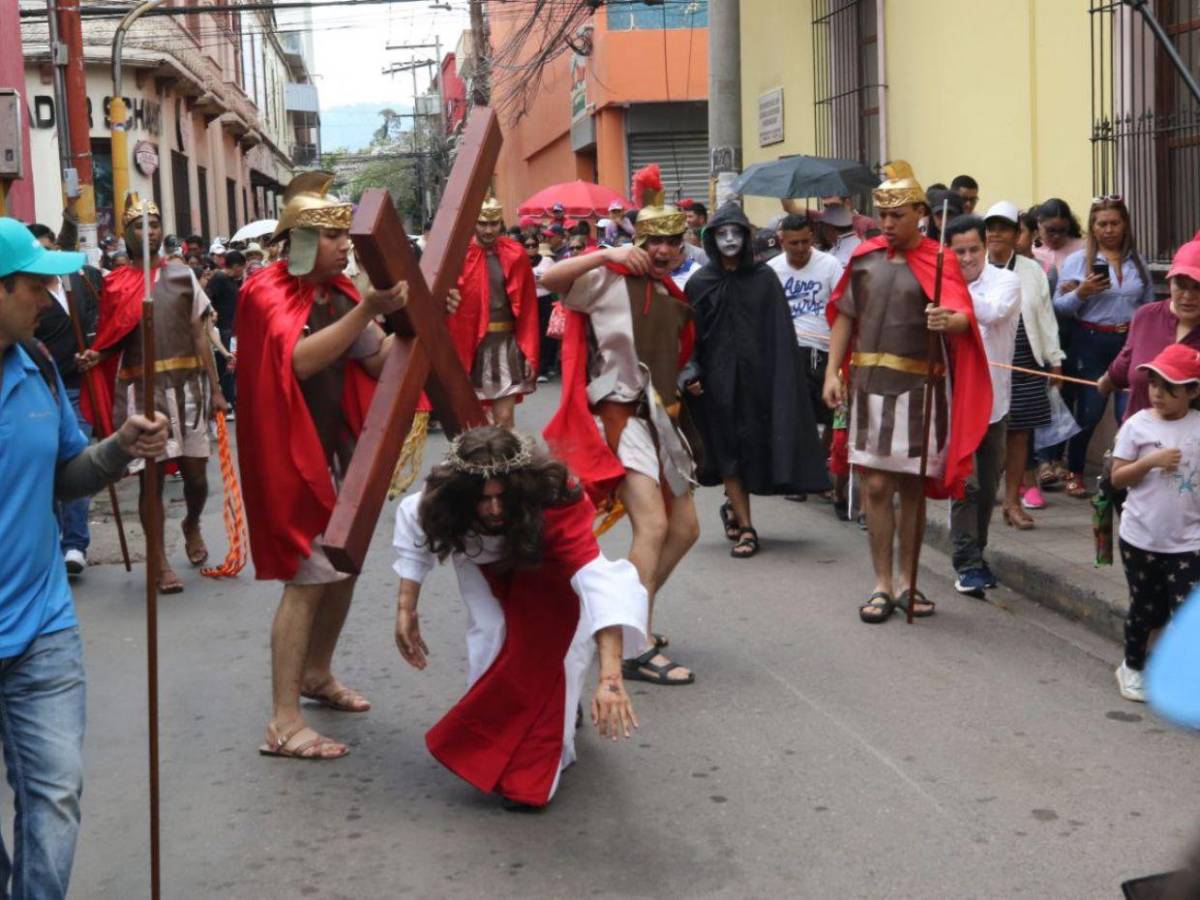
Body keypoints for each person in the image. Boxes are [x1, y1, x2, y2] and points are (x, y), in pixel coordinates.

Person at [0, 215, 168, 899]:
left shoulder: (37, 365)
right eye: (34, 286)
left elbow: (68, 476)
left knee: (56, 795)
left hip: (41, 626)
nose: (49, 300)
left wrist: (121, 446)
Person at [236, 171, 409, 761]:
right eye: (333, 237)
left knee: (343, 566)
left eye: (344, 237)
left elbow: (377, 360)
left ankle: (316, 672)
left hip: (336, 455)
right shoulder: (264, 291)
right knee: (308, 580)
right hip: (290, 457)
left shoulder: (337, 294)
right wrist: (366, 310)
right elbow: (300, 362)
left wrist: (420, 319)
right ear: (303, 239)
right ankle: (283, 722)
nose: (344, 247)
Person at [392, 427, 646, 808]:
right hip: (481, 566)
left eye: (502, 498)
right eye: (483, 500)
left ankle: (552, 745)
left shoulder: (553, 499)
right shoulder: (441, 499)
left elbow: (600, 588)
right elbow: (415, 537)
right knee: (490, 635)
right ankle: (488, 746)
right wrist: (405, 609)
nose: (494, 509)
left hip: (545, 564)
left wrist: (610, 678)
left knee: (564, 654)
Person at [541, 162, 699, 685]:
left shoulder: (674, 291)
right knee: (652, 526)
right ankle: (634, 642)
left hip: (664, 421)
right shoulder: (608, 279)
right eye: (654, 242)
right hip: (620, 417)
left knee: (685, 529)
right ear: (638, 241)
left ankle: (628, 615)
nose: (663, 250)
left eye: (672, 241)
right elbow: (548, 278)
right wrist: (606, 253)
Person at [823, 162, 991, 623]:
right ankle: (882, 583)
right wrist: (832, 373)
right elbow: (844, 315)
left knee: (912, 489)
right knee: (876, 486)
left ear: (919, 213)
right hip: (868, 384)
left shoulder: (940, 261)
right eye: (882, 215)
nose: (887, 223)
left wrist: (948, 320)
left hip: (920, 388)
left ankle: (907, 582)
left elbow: (963, 317)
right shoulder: (864, 258)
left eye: (897, 215)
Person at [77, 196, 227, 594]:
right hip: (142, 391)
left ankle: (191, 522)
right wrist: (96, 355)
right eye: (140, 226)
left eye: (155, 224)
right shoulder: (114, 282)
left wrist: (216, 389)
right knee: (152, 481)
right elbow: (112, 336)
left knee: (197, 478)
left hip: (187, 387)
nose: (149, 232)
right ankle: (159, 560)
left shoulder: (182, 274)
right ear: (126, 234)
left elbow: (199, 334)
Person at [683, 203, 830, 557]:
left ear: (746, 237)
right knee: (728, 451)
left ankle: (734, 507)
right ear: (711, 238)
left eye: (735, 232)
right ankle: (747, 528)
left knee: (753, 448)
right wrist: (690, 371)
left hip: (760, 382)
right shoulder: (699, 283)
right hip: (718, 386)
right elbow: (688, 338)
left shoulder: (764, 280)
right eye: (721, 233)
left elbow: (779, 334)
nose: (729, 240)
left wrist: (781, 381)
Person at [1109, 343, 1200, 702]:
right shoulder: (1137, 425)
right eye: (1153, 384)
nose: (1158, 393)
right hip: (1141, 537)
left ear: (1193, 391)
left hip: (1189, 540)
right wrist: (1150, 462)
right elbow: (1118, 478)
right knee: (1146, 607)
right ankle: (1132, 666)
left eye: (1170, 387)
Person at [1053, 197, 1155, 498]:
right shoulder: (1078, 261)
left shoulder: (1138, 260)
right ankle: (1074, 469)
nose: (1109, 230)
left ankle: (1122, 474)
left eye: (1115, 223)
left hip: (1130, 342)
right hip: (1090, 341)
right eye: (1102, 224)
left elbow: (1149, 304)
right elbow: (1058, 308)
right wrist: (1081, 293)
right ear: (1093, 227)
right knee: (1089, 412)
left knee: (1129, 413)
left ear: (1125, 225)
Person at [942, 215, 1021, 597]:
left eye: (974, 249)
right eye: (959, 252)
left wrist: (951, 286)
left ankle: (978, 553)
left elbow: (991, 313)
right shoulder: (939, 286)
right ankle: (967, 563)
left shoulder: (1006, 281)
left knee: (989, 488)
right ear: (949, 252)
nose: (968, 257)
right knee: (967, 484)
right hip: (955, 404)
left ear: (985, 247)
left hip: (995, 405)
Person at [982, 202, 1063, 527]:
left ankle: (1012, 501)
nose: (996, 234)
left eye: (1003, 228)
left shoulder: (1031, 271)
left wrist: (1054, 360)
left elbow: (1045, 317)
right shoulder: (974, 267)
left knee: (1019, 435)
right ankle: (980, 498)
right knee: (985, 433)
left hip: (1025, 360)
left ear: (1017, 234)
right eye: (991, 228)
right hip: (986, 362)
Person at [30, 224, 103, 576]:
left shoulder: (79, 280)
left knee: (75, 460)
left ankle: (74, 543)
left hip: (79, 385)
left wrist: (96, 351)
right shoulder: (30, 297)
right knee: (48, 466)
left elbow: (102, 319)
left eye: (50, 248)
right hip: (42, 387)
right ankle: (54, 538)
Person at [451, 196, 539, 430]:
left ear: (501, 222)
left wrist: (529, 351)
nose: (489, 230)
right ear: (473, 222)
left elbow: (528, 307)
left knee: (504, 419)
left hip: (505, 343)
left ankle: (506, 456)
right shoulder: (459, 255)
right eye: (483, 224)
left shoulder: (516, 253)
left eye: (494, 224)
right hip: (469, 345)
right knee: (473, 423)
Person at [1101, 234, 1200, 421]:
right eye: (1180, 285)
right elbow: (1126, 360)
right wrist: (1107, 380)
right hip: (1139, 437)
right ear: (1169, 282)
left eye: (1198, 287)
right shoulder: (1147, 315)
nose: (1188, 296)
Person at [205, 249, 245, 415]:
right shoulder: (219, 278)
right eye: (242, 267)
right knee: (225, 366)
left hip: (230, 328)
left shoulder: (232, 280)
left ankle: (231, 399)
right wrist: (213, 312)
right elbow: (207, 298)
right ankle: (227, 401)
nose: (242, 271)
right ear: (236, 266)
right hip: (222, 329)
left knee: (231, 366)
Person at [526, 234, 558, 382]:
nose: (531, 248)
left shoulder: (547, 261)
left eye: (534, 245)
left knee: (545, 334)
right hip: (527, 301)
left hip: (544, 300)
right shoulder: (520, 261)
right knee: (530, 333)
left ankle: (543, 368)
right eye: (527, 246)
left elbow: (554, 279)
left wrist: (540, 280)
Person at [1032, 197, 1085, 289]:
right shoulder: (1030, 250)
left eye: (1062, 230)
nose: (1056, 236)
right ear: (1039, 223)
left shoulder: (1082, 248)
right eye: (1051, 230)